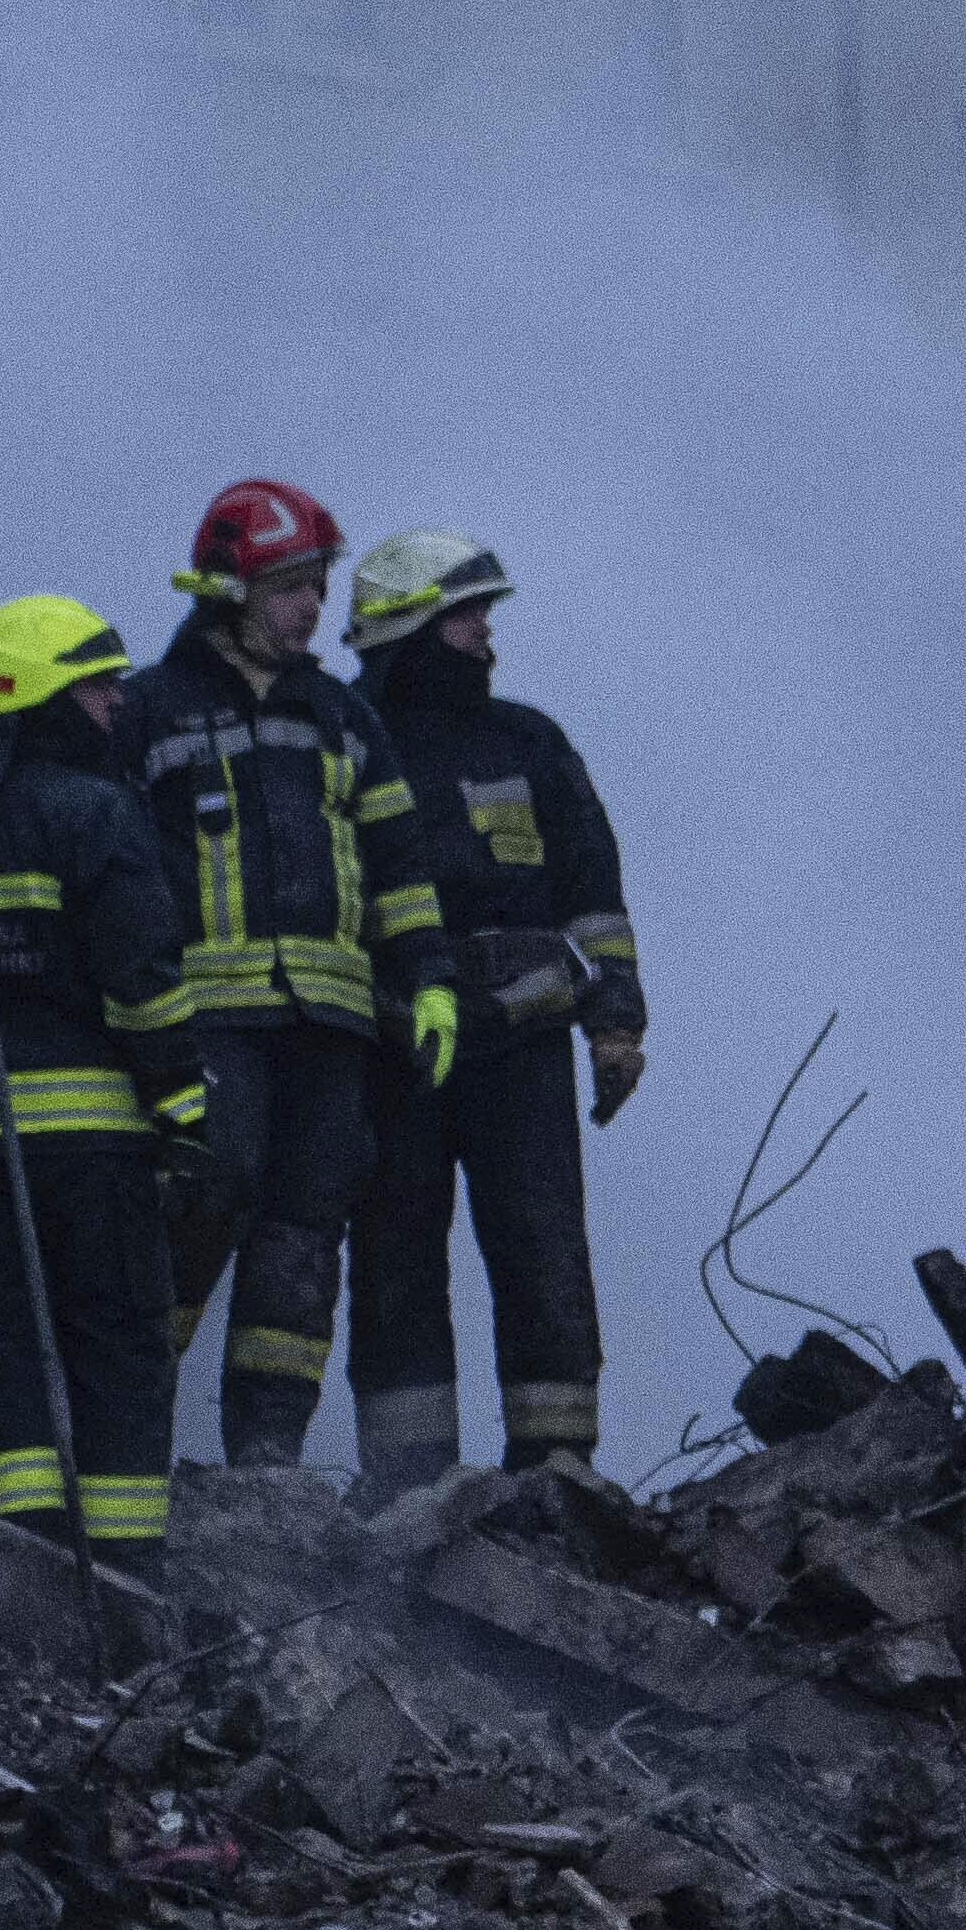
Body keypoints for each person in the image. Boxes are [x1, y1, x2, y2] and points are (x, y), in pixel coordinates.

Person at [100, 478, 451, 1475]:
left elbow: (401, 866)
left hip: (329, 1029)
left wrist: (426, 979)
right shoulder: (149, 707)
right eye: (291, 585)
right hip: (205, 1023)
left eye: (318, 584)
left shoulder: (342, 715)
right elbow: (111, 864)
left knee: (304, 1240)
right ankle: (125, 1424)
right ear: (229, 591)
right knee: (201, 1202)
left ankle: (267, 1462)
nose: (311, 608)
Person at [0, 591, 212, 1582]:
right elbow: (141, 976)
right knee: (118, 1350)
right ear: (42, 697)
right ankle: (125, 1582)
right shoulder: (93, 811)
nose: (117, 703)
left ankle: (19, 1572)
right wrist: (184, 1105)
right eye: (95, 686)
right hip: (92, 1145)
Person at [342, 530, 644, 1480]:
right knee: (394, 1263)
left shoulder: (527, 741)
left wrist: (617, 1023)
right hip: (392, 1046)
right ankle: (405, 1488)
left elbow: (593, 891)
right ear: (413, 626)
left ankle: (558, 1474)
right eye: (466, 615)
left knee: (543, 1248)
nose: (485, 635)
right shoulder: (342, 739)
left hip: (523, 1041)